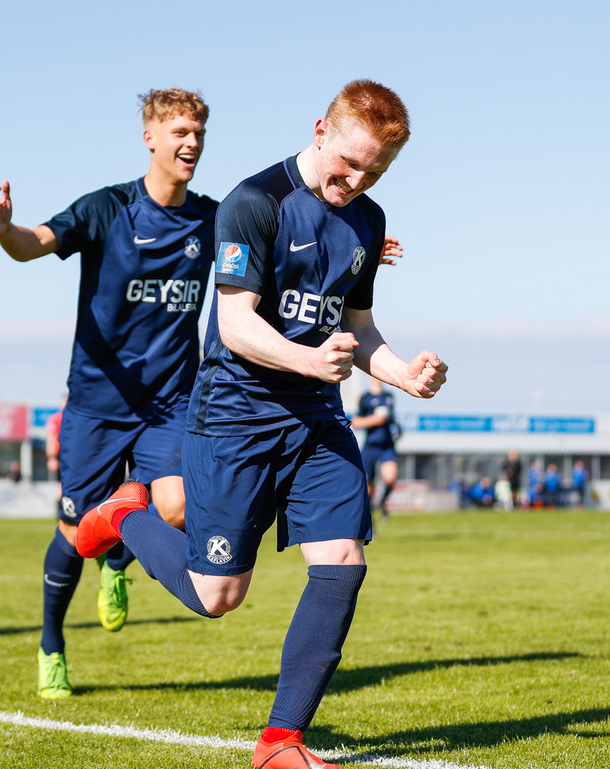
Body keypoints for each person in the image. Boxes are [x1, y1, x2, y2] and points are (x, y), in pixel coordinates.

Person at [76, 80, 447, 769]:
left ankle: (281, 743)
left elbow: (359, 328)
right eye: (350, 164)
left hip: (316, 417)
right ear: (320, 130)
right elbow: (235, 322)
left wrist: (404, 373)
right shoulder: (255, 203)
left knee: (342, 562)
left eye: (374, 173)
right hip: (235, 416)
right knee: (217, 595)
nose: (356, 182)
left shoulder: (367, 220)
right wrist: (310, 359)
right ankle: (124, 514)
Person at [0, 88, 219, 698]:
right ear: (150, 138)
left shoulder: (214, 219)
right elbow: (33, 244)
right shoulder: (107, 208)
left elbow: (278, 258)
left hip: (171, 402)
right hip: (97, 404)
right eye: (180, 132)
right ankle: (51, 645)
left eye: (198, 132)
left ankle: (119, 557)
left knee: (177, 507)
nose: (192, 142)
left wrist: (353, 258)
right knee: (72, 533)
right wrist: (5, 229)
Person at [350, 376, 400, 521]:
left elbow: (392, 419)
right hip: (370, 445)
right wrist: (374, 420)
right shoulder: (365, 398)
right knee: (368, 486)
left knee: (390, 477)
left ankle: (382, 502)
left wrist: (398, 429)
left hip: (387, 445)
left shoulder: (389, 396)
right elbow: (356, 422)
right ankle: (370, 519)